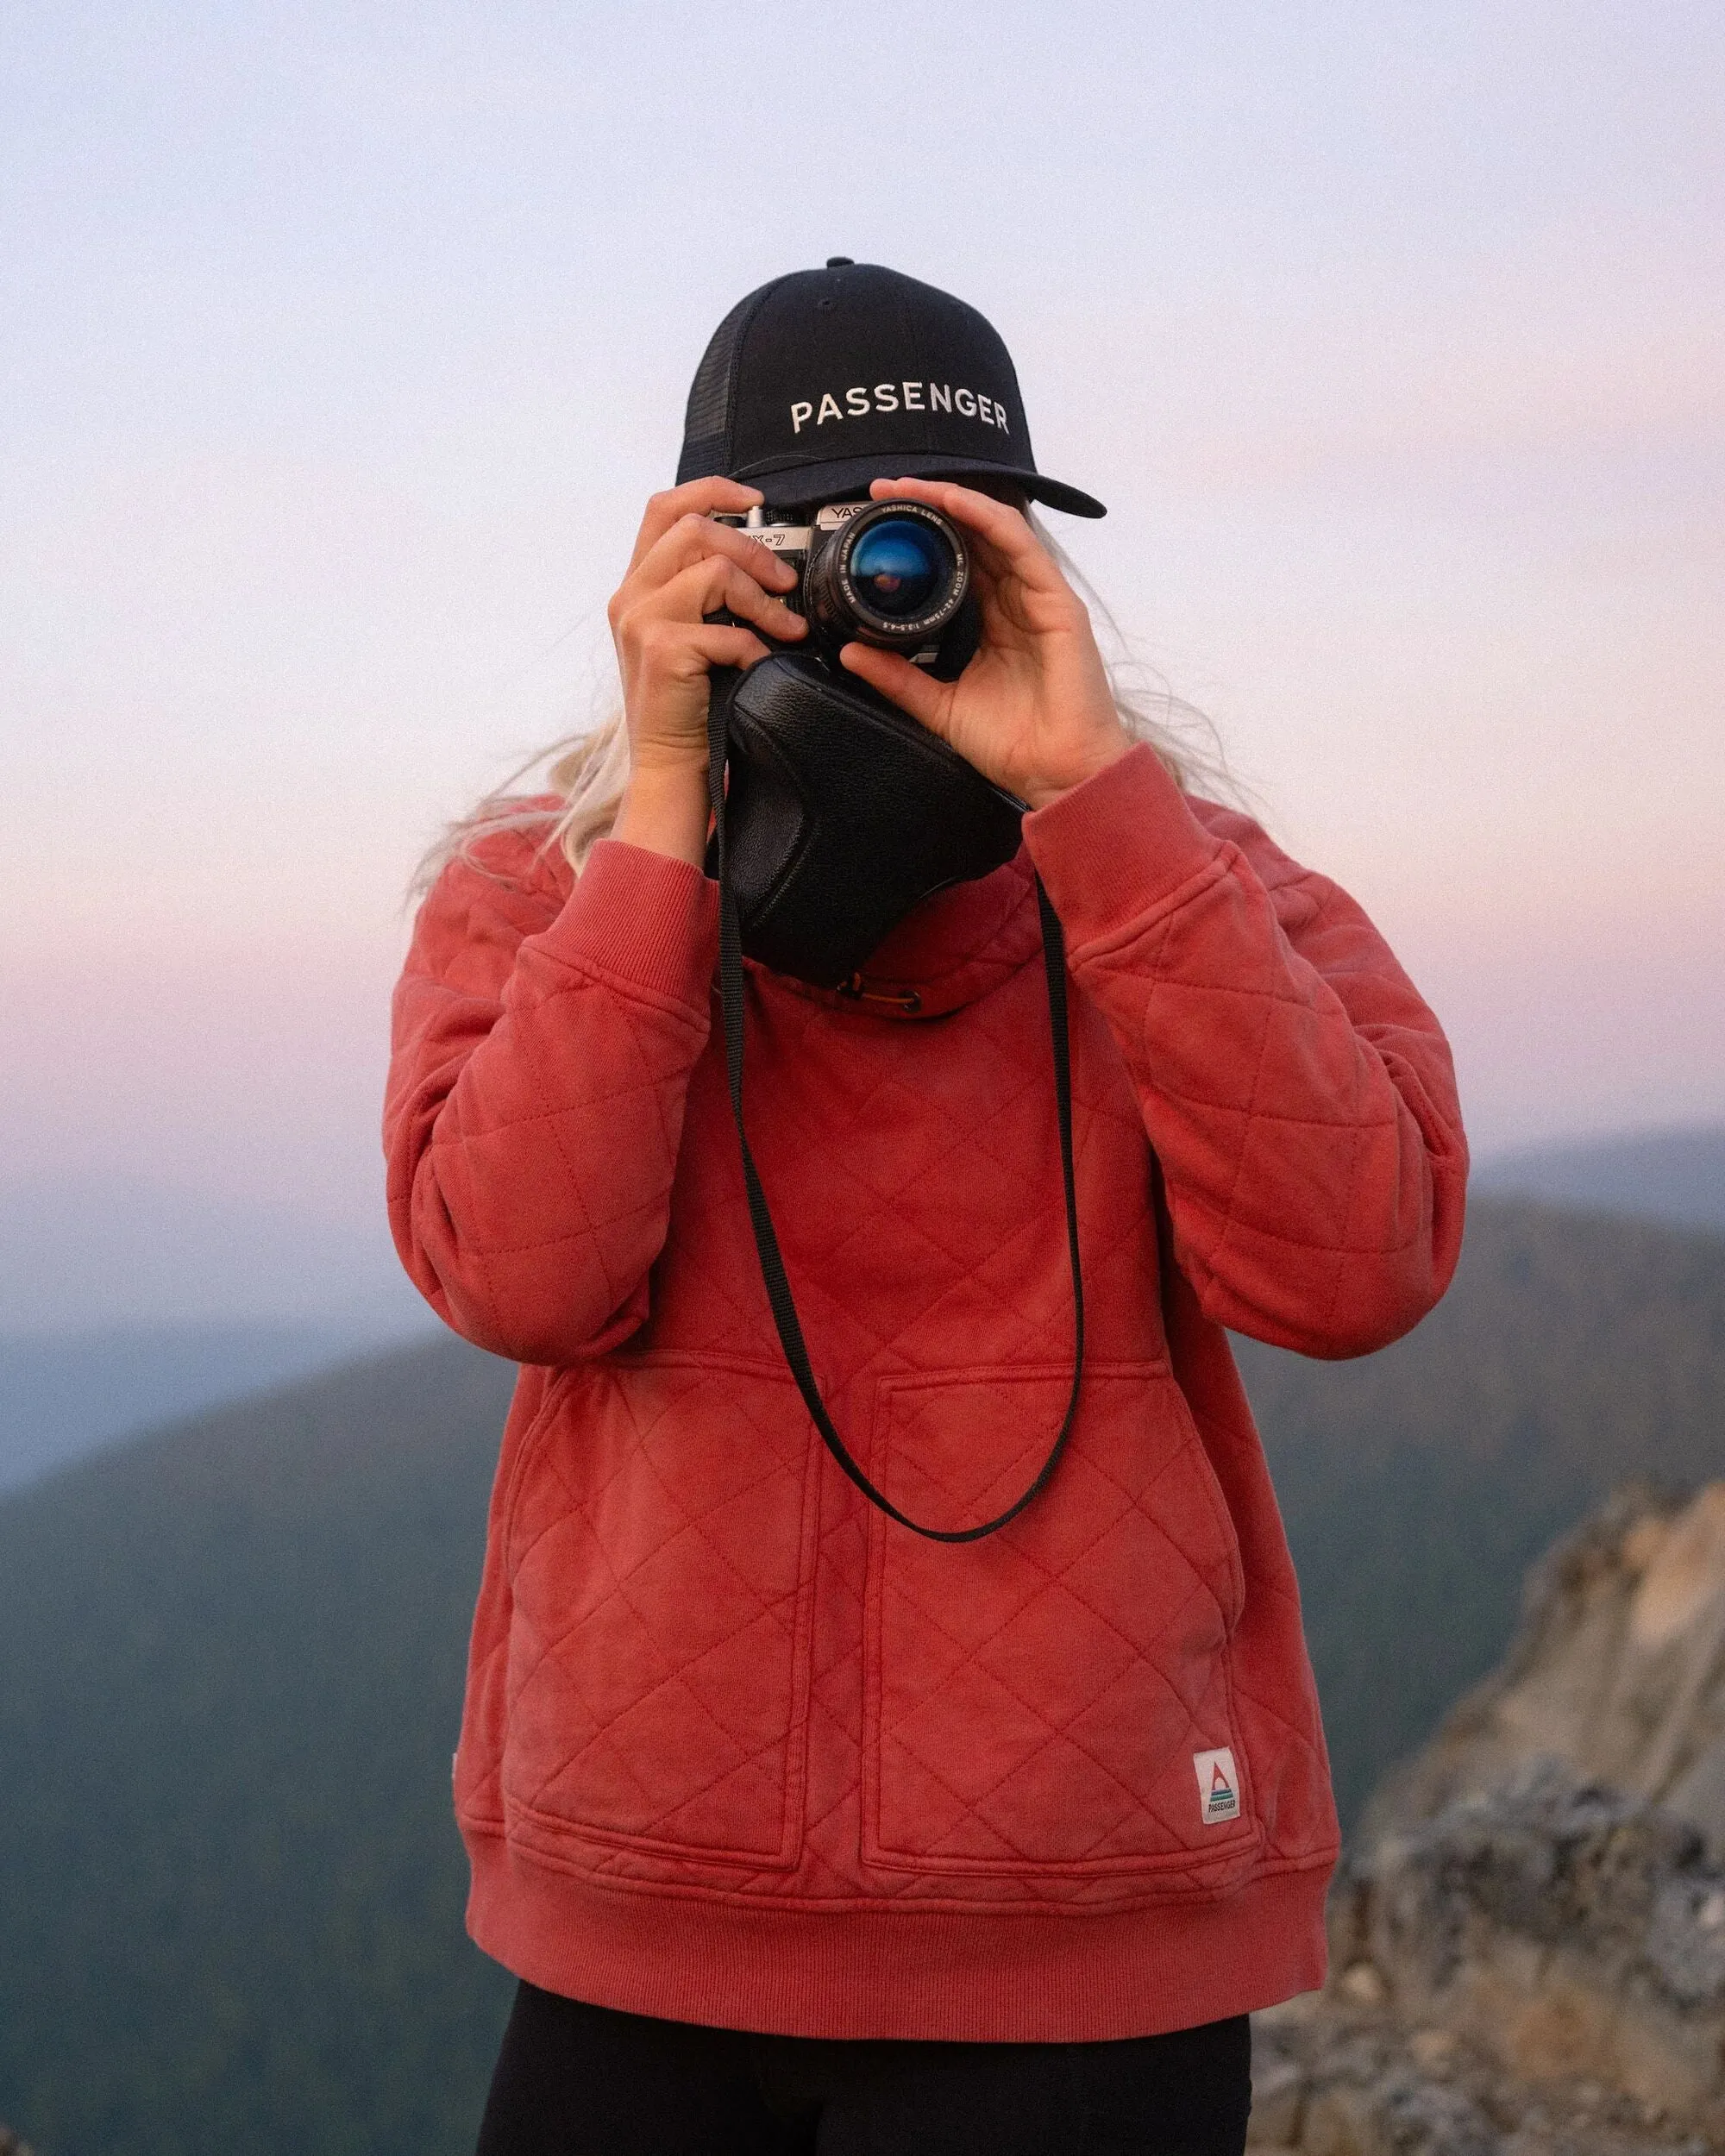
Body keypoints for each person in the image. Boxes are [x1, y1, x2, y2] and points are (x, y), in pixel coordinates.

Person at [384, 260, 1469, 2155]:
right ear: (688, 561)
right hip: (643, 1918)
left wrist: (1097, 805)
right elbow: (519, 1270)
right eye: (809, 545)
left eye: (924, 540)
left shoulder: (1190, 886)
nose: (868, 592)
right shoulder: (536, 890)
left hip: (1082, 1924)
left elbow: (1359, 1262)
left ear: (1023, 558)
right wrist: (657, 810)